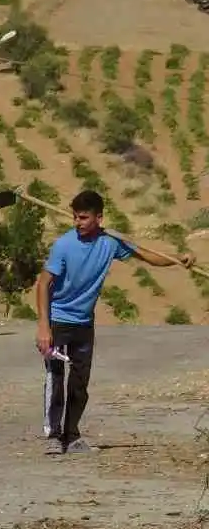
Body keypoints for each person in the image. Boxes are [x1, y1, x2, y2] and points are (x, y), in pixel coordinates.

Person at [35, 189, 197, 456]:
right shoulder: (63, 245)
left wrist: (177, 260)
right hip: (58, 320)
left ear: (99, 217)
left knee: (79, 382)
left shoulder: (110, 242)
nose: (77, 223)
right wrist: (44, 326)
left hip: (84, 323)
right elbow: (43, 284)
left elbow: (146, 255)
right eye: (75, 217)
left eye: (83, 217)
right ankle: (53, 436)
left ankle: (72, 435)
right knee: (55, 377)